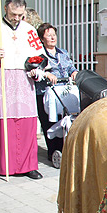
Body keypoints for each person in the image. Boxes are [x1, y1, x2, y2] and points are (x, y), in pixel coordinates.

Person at [0, 0, 48, 179]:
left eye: (20, 14)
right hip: (1, 79)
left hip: (24, 81)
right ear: (6, 8)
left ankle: (28, 165)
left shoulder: (29, 29)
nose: (17, 18)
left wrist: (36, 67)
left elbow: (39, 56)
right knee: (2, 123)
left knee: (26, 124)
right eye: (14, 14)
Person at [36, 23, 79, 164]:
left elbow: (71, 67)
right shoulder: (39, 54)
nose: (52, 37)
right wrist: (46, 74)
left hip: (64, 91)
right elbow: (36, 71)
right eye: (48, 35)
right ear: (42, 38)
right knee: (50, 121)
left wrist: (74, 72)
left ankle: (67, 148)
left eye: (54, 34)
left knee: (67, 120)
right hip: (46, 93)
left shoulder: (63, 53)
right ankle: (53, 151)